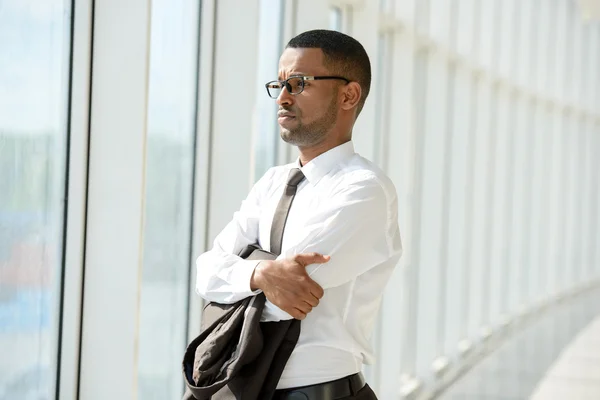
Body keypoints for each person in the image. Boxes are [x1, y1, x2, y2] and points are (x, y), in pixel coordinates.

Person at [195, 29, 402, 400]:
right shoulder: (274, 182)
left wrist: (242, 273)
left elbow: (284, 301)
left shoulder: (364, 190)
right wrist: (260, 272)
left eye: (299, 83)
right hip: (243, 386)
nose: (284, 97)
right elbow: (206, 271)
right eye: (280, 84)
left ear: (348, 95)